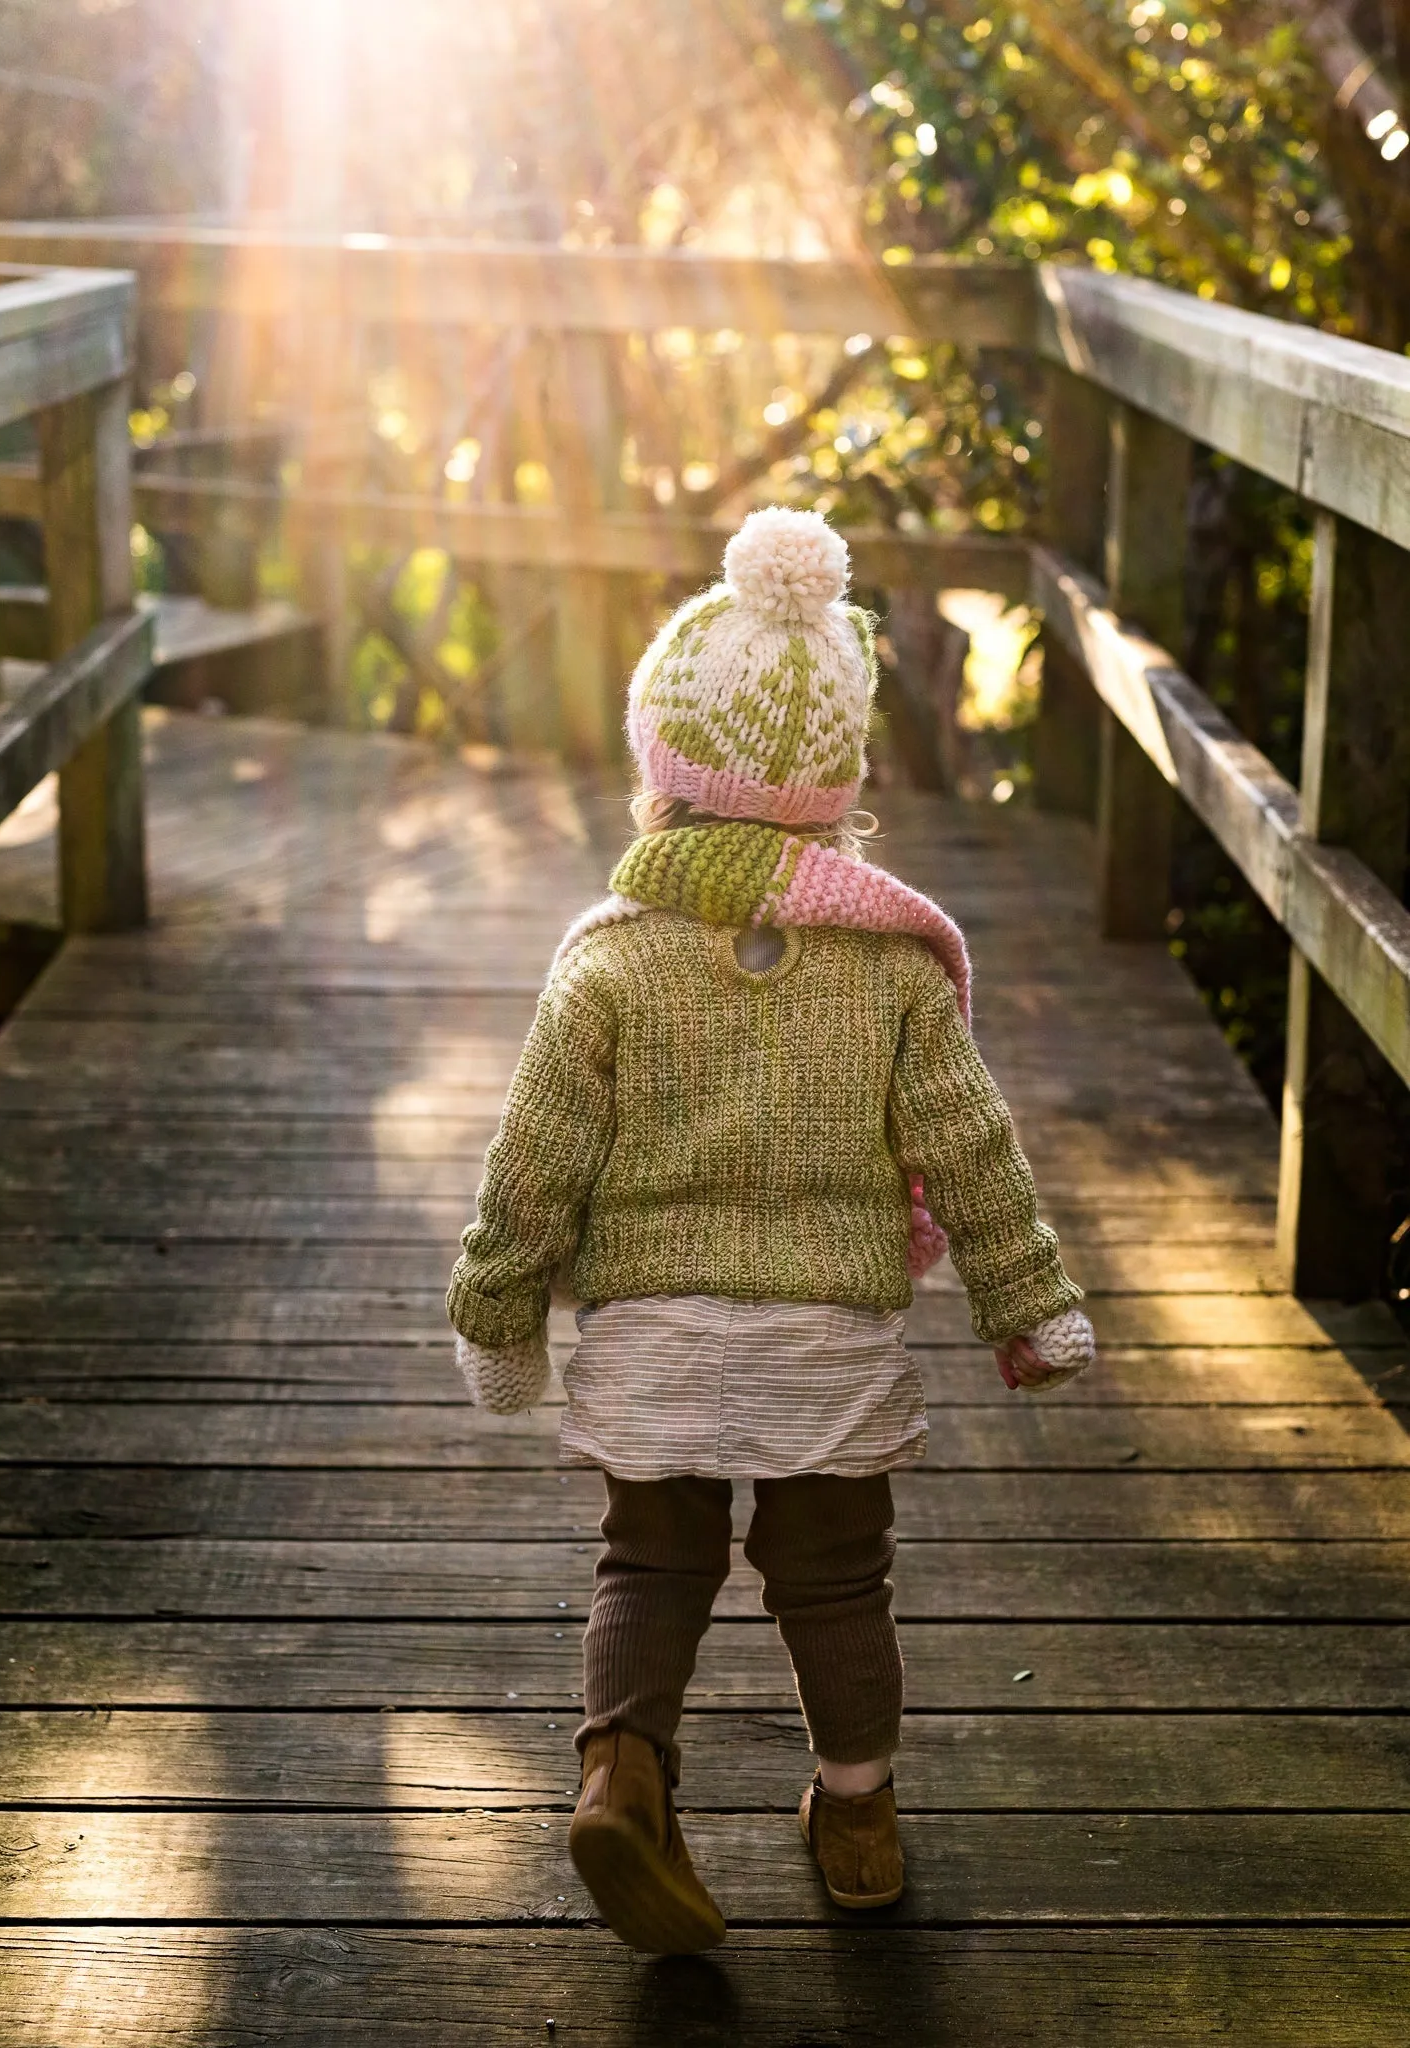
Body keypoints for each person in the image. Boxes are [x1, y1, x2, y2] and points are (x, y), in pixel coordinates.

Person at [447, 505, 1094, 1954]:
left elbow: (534, 1159)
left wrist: (499, 1314)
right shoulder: (892, 971)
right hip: (828, 1345)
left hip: (651, 1340)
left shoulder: (608, 960)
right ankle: (855, 1815)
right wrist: (1024, 1301)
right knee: (836, 1579)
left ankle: (620, 1771)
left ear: (661, 769)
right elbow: (967, 1147)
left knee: (650, 1567)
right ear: (838, 783)